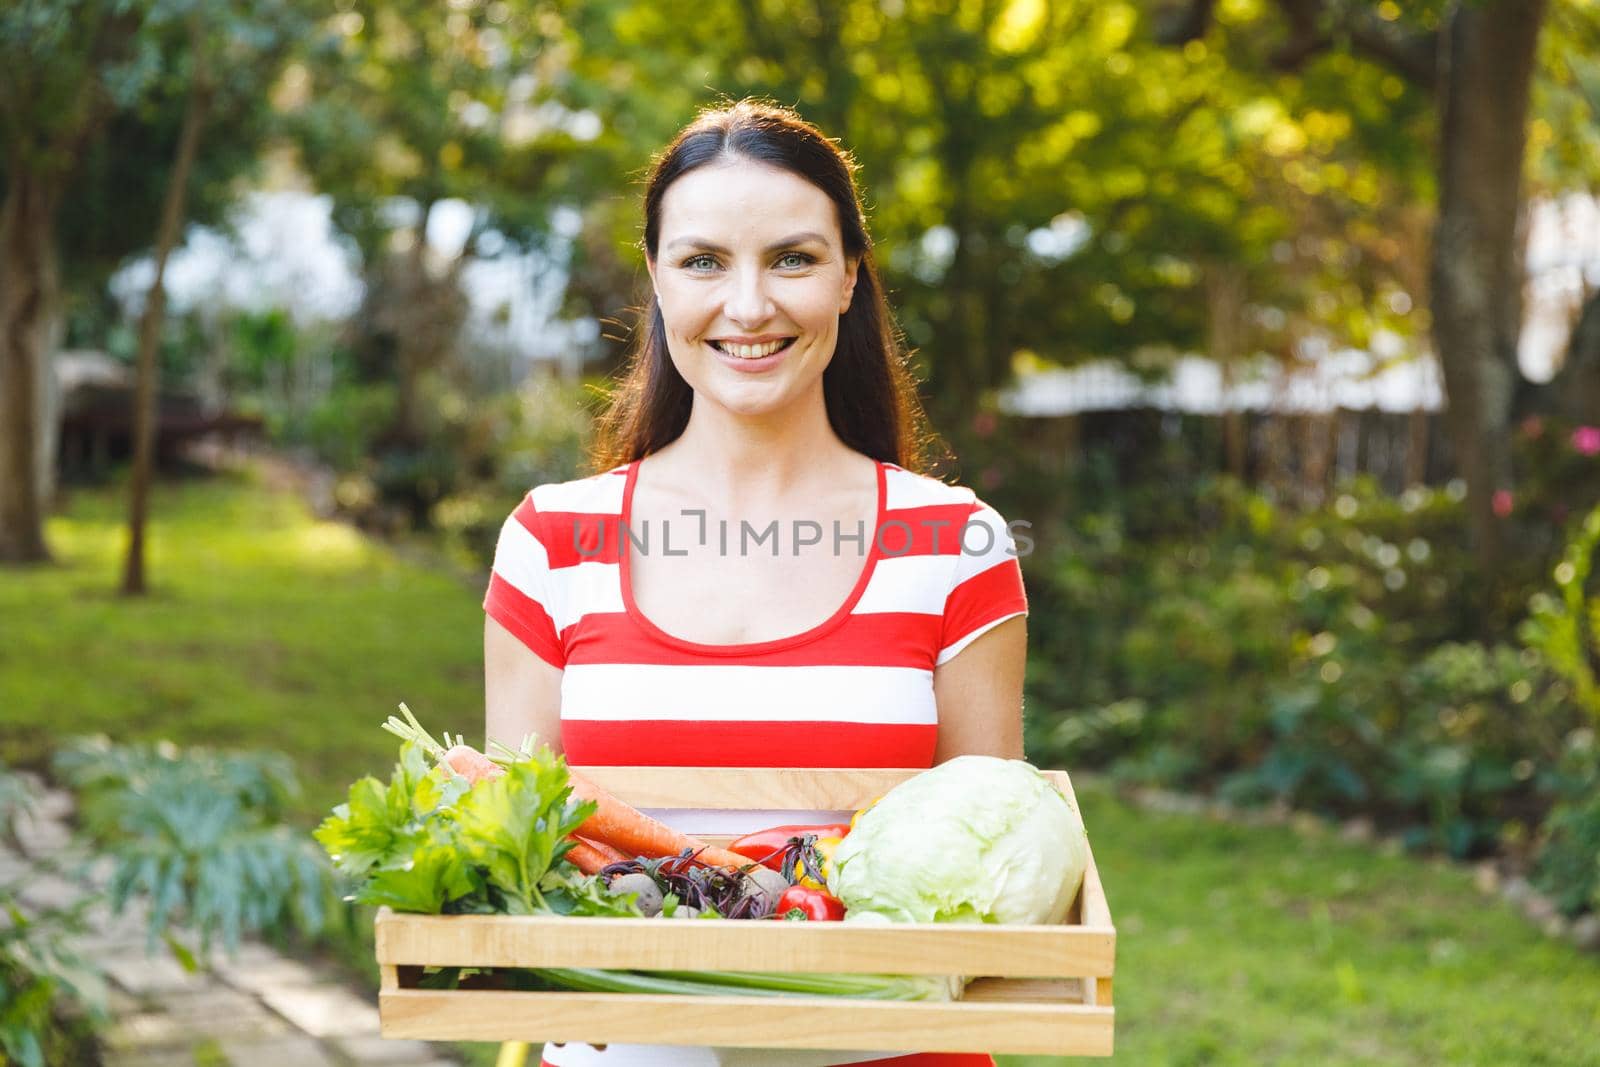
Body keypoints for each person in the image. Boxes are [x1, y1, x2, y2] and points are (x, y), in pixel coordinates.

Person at [483, 99, 1029, 1067]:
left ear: (849, 277)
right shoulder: (548, 545)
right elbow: (519, 871)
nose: (747, 305)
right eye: (702, 262)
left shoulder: (957, 546)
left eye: (792, 258)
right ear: (655, 275)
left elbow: (989, 887)